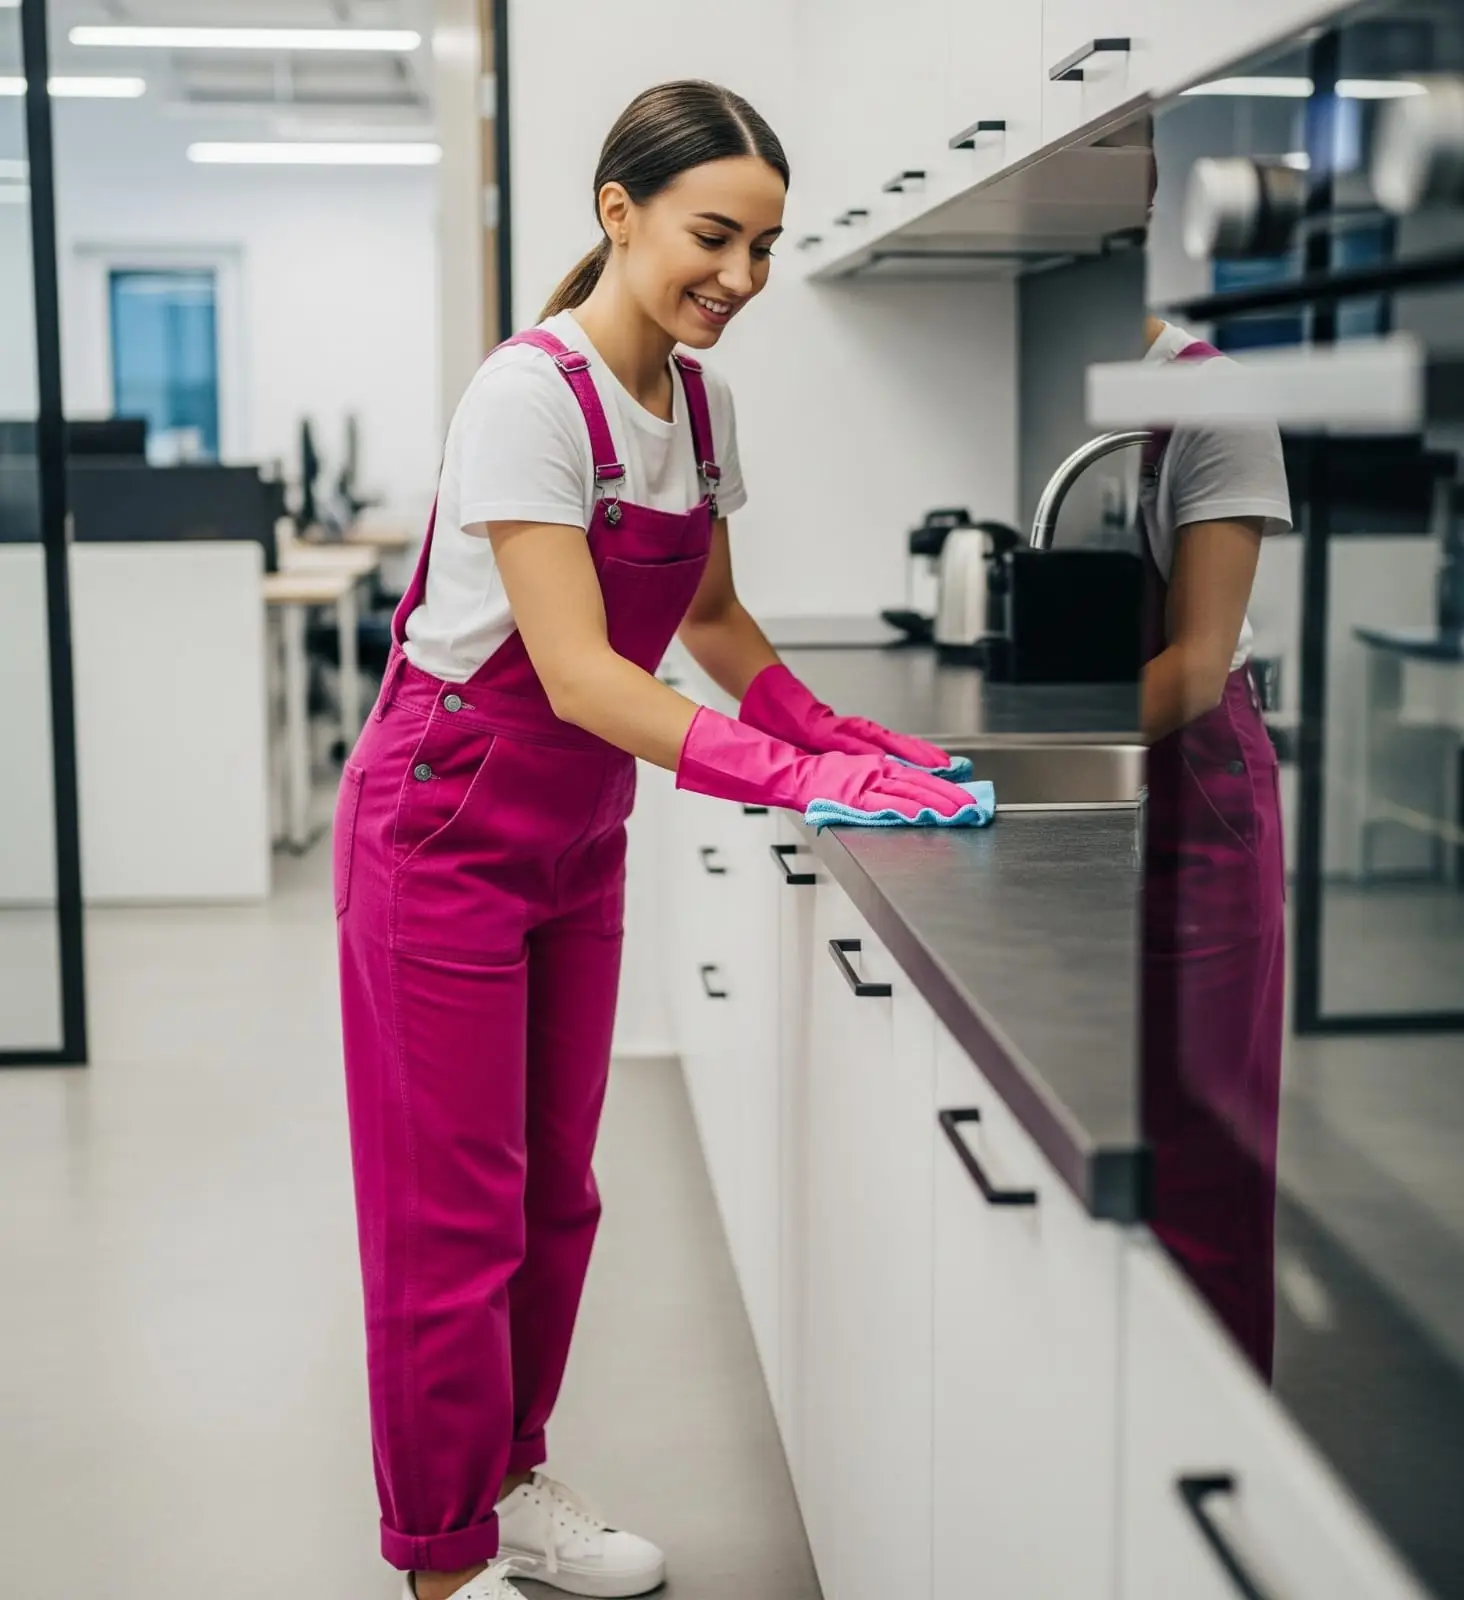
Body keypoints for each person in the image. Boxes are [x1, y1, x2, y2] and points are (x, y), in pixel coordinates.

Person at [333, 80, 972, 1600]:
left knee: (558, 1191)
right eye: (713, 237)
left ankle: (509, 1479)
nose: (740, 280)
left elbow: (713, 618)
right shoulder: (527, 398)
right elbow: (577, 672)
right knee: (452, 1212)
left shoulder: (696, 402)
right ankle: (440, 1561)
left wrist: (838, 737)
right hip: (446, 826)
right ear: (618, 213)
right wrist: (784, 779)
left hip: (574, 834)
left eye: (761, 247)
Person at [1137, 311, 1292, 1381]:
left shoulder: (1214, 398)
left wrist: (1047, 740)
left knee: (1201, 1164)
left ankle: (1209, 1467)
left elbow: (1193, 660)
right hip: (1129, 757)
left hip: (1198, 779)